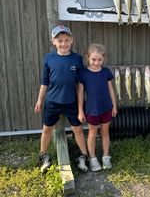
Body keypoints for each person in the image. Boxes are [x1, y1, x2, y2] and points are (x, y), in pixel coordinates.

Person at [35, 25, 89, 173]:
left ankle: (84, 156)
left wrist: (80, 109)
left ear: (71, 40)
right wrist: (40, 100)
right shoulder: (49, 58)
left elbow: (80, 85)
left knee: (77, 129)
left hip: (71, 102)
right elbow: (44, 81)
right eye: (59, 40)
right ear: (53, 41)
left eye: (66, 40)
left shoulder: (76, 59)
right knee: (47, 129)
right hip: (52, 101)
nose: (63, 43)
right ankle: (43, 156)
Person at [77, 44, 117, 172]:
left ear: (103, 59)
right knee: (92, 133)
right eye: (93, 59)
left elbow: (111, 89)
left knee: (105, 133)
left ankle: (106, 156)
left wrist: (114, 105)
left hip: (106, 108)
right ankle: (93, 158)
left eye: (99, 60)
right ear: (88, 57)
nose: (96, 62)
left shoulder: (105, 72)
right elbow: (81, 93)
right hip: (91, 110)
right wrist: (80, 110)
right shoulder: (83, 73)